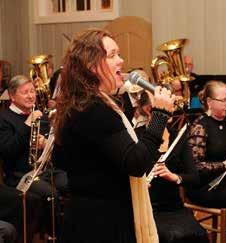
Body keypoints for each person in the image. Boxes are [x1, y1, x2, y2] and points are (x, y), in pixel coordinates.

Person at [52, 28, 175, 243]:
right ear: (91, 66)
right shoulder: (95, 109)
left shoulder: (78, 103)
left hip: (84, 214)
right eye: (112, 55)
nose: (121, 60)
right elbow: (137, 163)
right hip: (103, 223)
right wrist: (160, 116)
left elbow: (60, 158)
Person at [133, 92, 209, 243]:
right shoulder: (136, 137)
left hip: (173, 206)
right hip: (146, 208)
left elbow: (194, 178)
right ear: (150, 110)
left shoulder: (178, 137)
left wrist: (174, 177)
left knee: (199, 234)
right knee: (170, 237)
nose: (172, 109)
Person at [186, 80, 226, 212]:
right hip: (205, 186)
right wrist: (225, 164)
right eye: (223, 101)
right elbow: (196, 167)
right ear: (209, 102)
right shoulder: (200, 126)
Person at [0, 75, 67, 198]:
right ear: (12, 96)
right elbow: (7, 150)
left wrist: (45, 142)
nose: (31, 96)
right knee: (50, 195)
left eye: (32, 91)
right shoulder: (4, 118)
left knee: (72, 184)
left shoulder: (40, 116)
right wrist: (27, 125)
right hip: (20, 175)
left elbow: (53, 144)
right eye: (25, 92)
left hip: (45, 170)